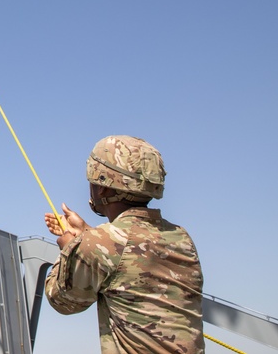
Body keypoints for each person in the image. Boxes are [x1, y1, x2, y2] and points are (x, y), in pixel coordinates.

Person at [43, 135, 204, 354]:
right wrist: (87, 236)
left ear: (102, 187)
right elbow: (131, 260)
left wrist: (70, 248)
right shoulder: (181, 237)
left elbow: (62, 300)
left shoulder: (99, 244)